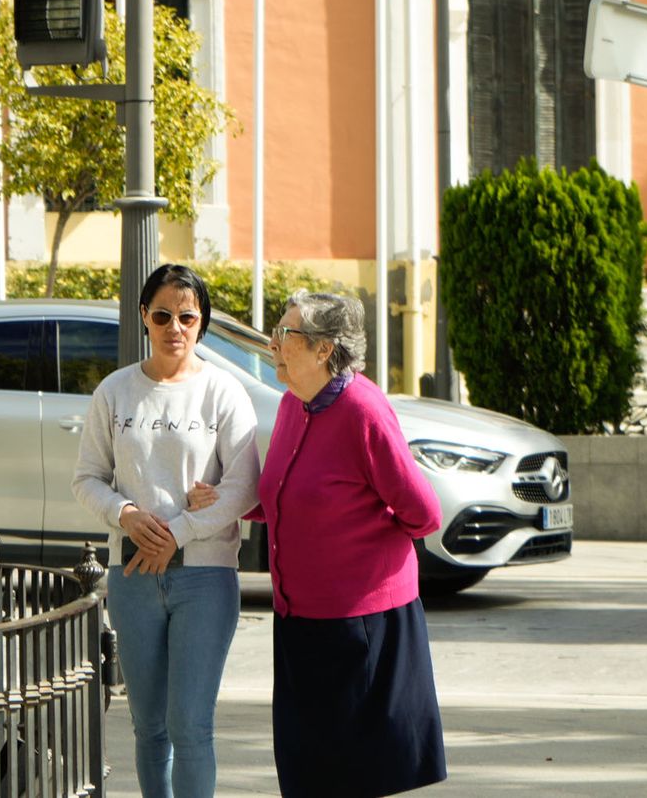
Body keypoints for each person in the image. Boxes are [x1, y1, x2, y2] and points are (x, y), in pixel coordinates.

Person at [194, 290, 446, 796]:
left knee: (356, 777)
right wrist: (225, 498)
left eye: (284, 333)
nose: (272, 344)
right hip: (300, 622)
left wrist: (362, 544)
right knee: (308, 771)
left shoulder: (363, 410)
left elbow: (423, 514)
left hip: (361, 627)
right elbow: (285, 495)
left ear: (323, 349)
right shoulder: (295, 404)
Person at [71, 263, 260, 798]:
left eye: (187, 317)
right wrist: (126, 514)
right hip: (132, 575)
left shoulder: (223, 391)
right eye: (162, 316)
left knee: (190, 726)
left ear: (202, 322)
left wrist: (178, 532)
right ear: (143, 317)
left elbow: (246, 487)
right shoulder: (115, 392)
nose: (174, 328)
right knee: (149, 727)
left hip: (205, 577)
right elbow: (87, 479)